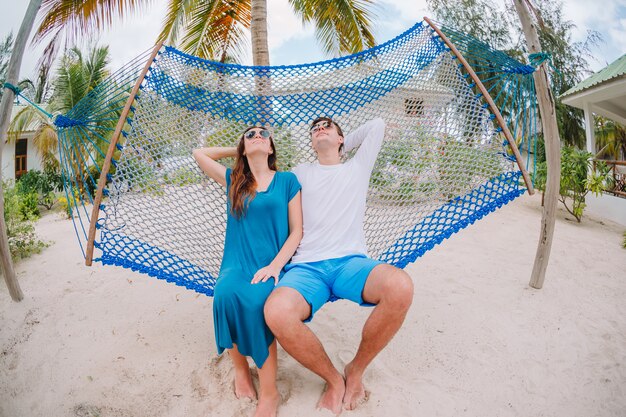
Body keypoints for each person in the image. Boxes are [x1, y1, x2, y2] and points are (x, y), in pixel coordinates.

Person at [263, 117, 414, 414]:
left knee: (401, 286)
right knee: (276, 313)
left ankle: (355, 370)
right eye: (315, 129)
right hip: (307, 267)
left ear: (343, 139)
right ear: (310, 143)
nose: (319, 129)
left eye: (327, 127)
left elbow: (379, 125)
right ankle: (333, 379)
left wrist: (340, 145)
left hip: (351, 263)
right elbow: (266, 191)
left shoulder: (357, 168)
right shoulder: (299, 173)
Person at [193, 126, 302, 417]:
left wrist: (276, 266)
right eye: (249, 133)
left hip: (271, 263)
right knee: (224, 297)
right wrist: (237, 150)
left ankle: (269, 392)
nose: (256, 135)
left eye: (263, 134)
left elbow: (297, 231)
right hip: (236, 263)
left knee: (256, 305)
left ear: (271, 148)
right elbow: (198, 153)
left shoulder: (287, 181)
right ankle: (241, 370)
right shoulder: (233, 180)